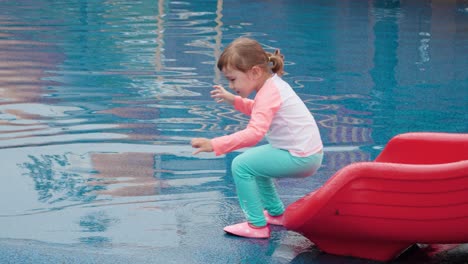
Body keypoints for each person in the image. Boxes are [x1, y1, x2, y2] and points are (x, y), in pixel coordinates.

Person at [191, 37, 323, 239]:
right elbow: (259, 109)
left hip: (300, 157)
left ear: (254, 72)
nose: (230, 84)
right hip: (306, 154)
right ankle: (276, 213)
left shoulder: (269, 92)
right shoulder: (272, 86)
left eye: (233, 79)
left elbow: (254, 133)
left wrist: (215, 144)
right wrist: (234, 99)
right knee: (256, 166)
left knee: (241, 165)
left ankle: (256, 225)